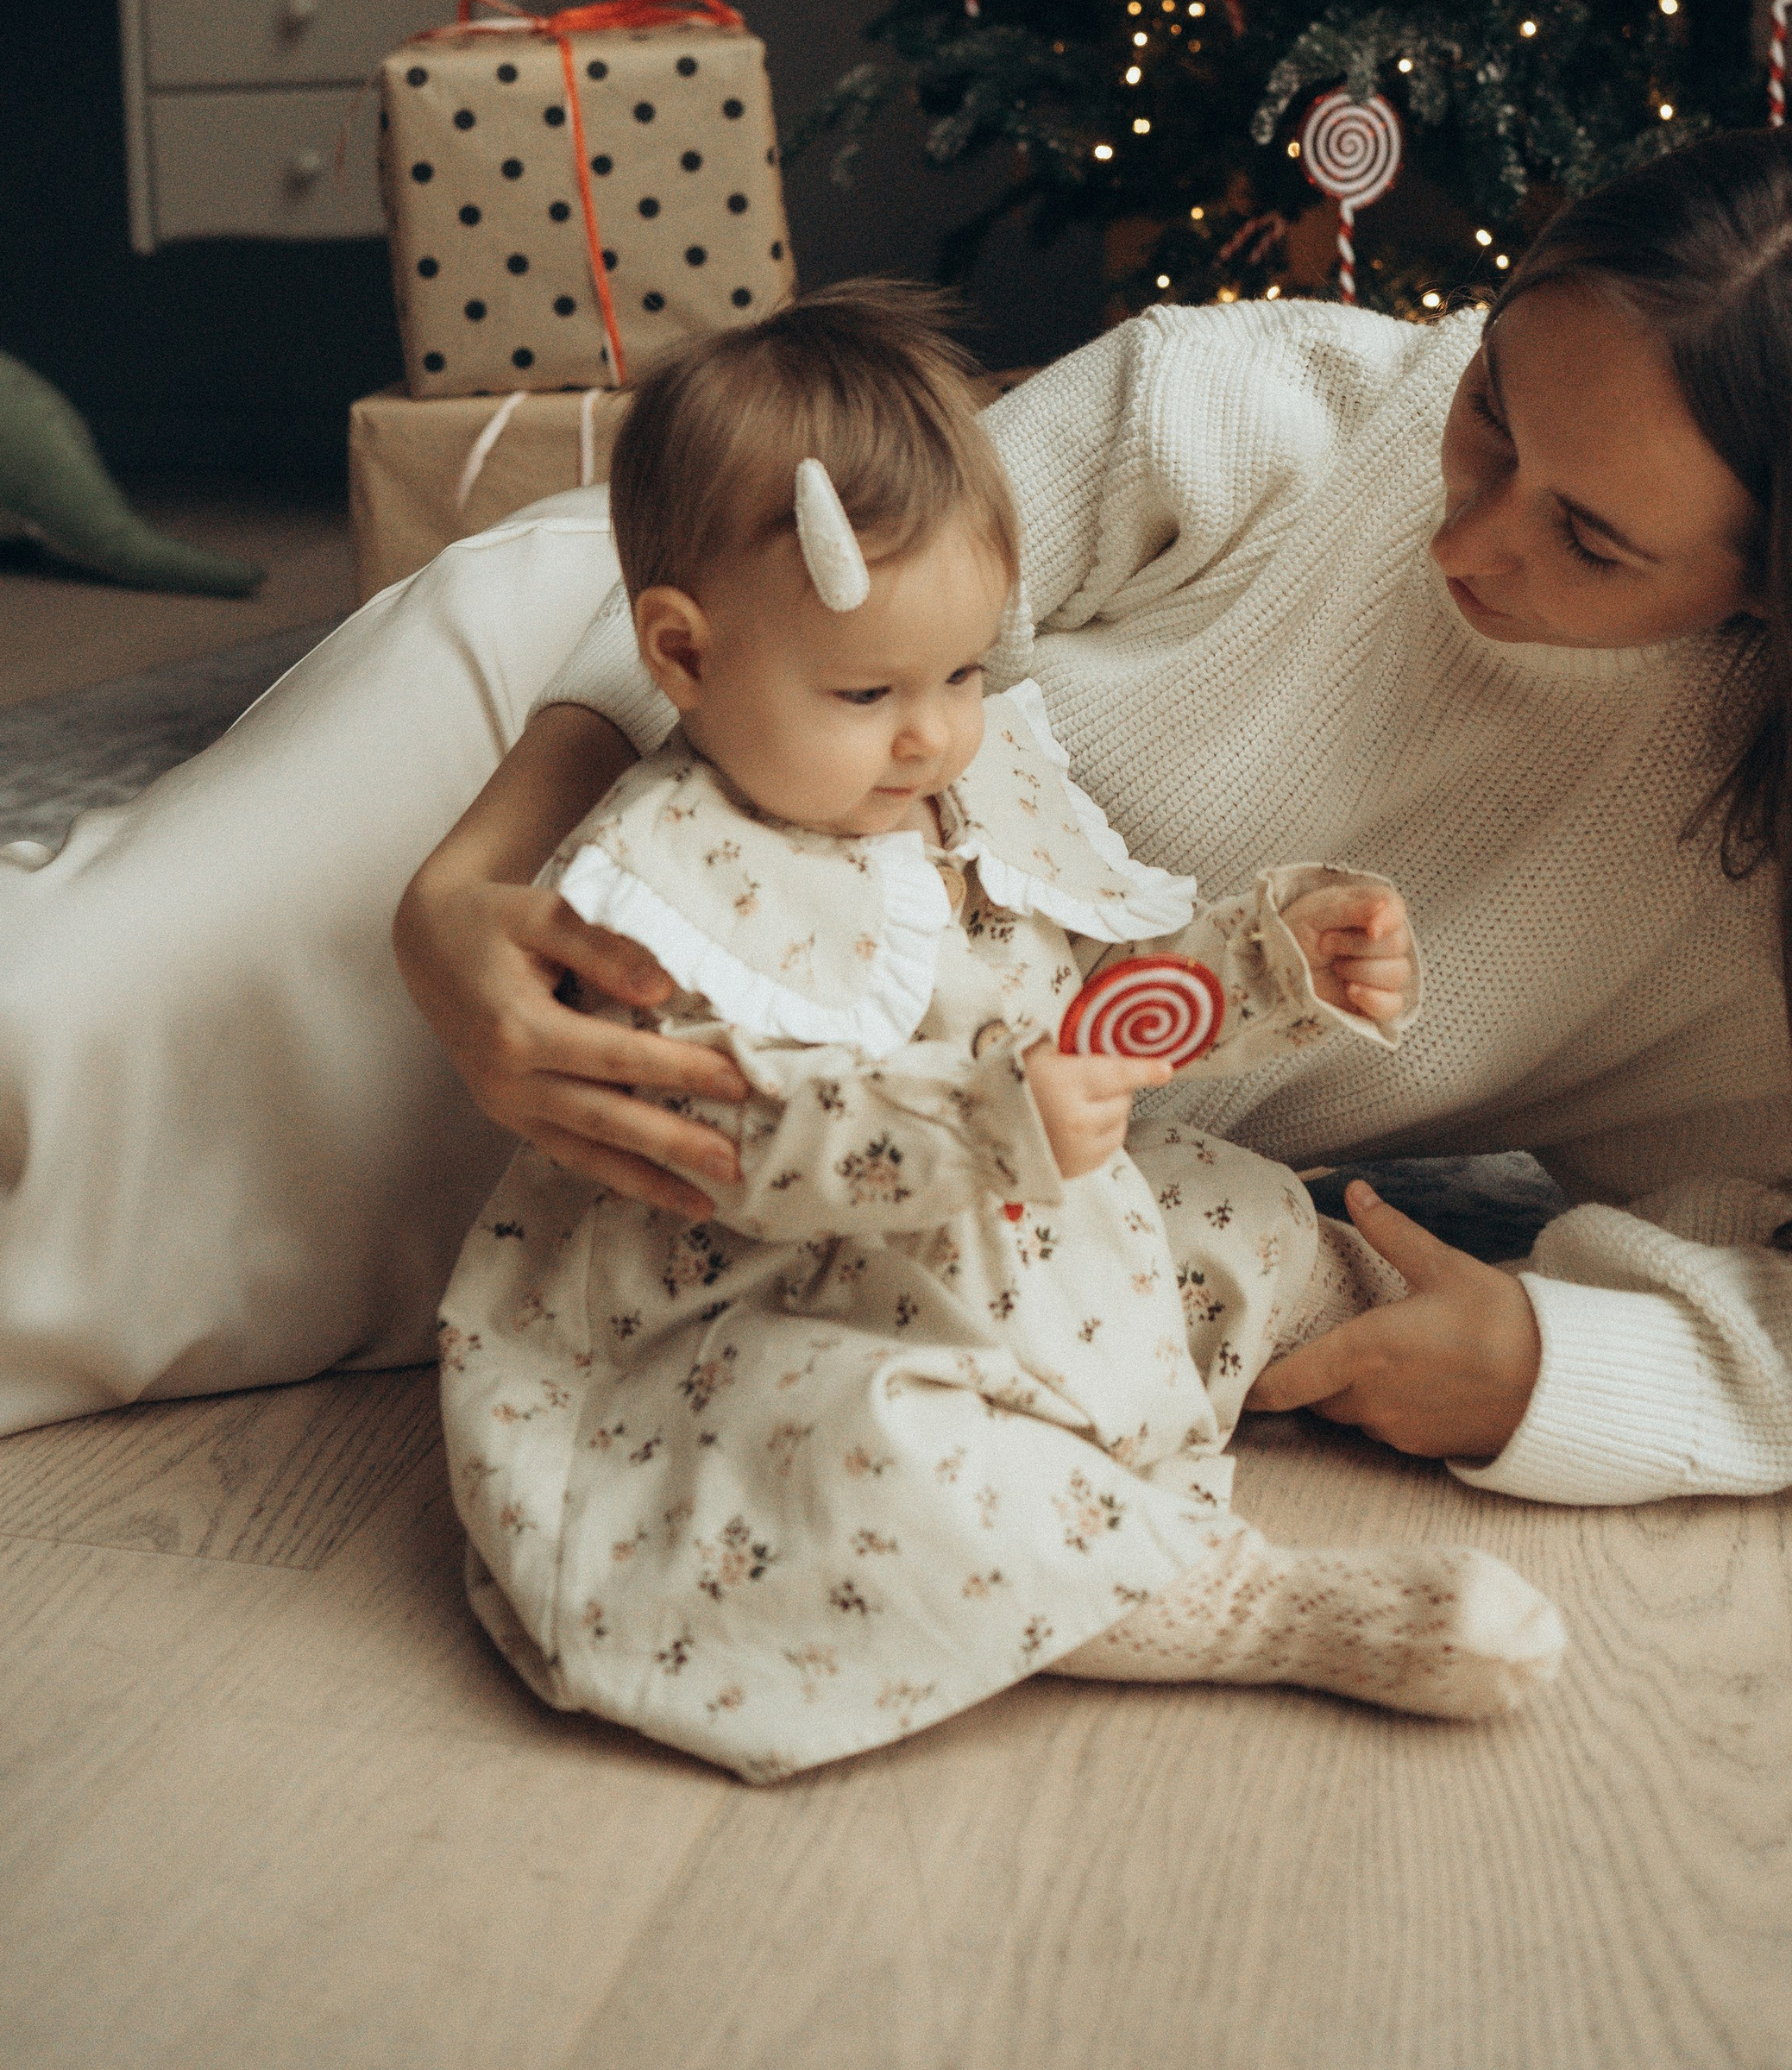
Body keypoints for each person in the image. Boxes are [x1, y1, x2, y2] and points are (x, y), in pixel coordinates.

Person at [0, 126, 1792, 1516]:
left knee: (169, 1299)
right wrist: (467, 881)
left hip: (835, 1132)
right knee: (58, 1038)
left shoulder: (1779, 885)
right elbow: (768, 589)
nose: (1465, 535)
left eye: (1589, 539)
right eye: (1489, 407)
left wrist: (1557, 1369)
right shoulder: (1261, 407)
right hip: (589, 713)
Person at [445, 292, 1564, 1777]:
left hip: (1017, 1229)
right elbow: (729, 1138)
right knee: (859, 1450)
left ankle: (1348, 1321)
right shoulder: (658, 894)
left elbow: (1099, 999)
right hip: (777, 1295)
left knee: (1227, 1204)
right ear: (684, 655)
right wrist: (984, 1122)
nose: (932, 733)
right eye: (867, 691)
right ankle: (1234, 1600)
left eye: (964, 674)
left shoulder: (955, 791)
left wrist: (1269, 961)